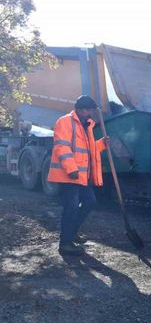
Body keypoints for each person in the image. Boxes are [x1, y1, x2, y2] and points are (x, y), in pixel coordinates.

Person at [48, 95, 109, 256]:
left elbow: (87, 149)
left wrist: (102, 144)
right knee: (71, 207)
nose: (90, 113)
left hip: (82, 176)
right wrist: (71, 169)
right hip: (69, 175)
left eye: (91, 110)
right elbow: (62, 147)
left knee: (90, 202)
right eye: (88, 110)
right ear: (80, 109)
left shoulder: (87, 125)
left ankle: (72, 232)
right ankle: (65, 244)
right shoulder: (65, 121)